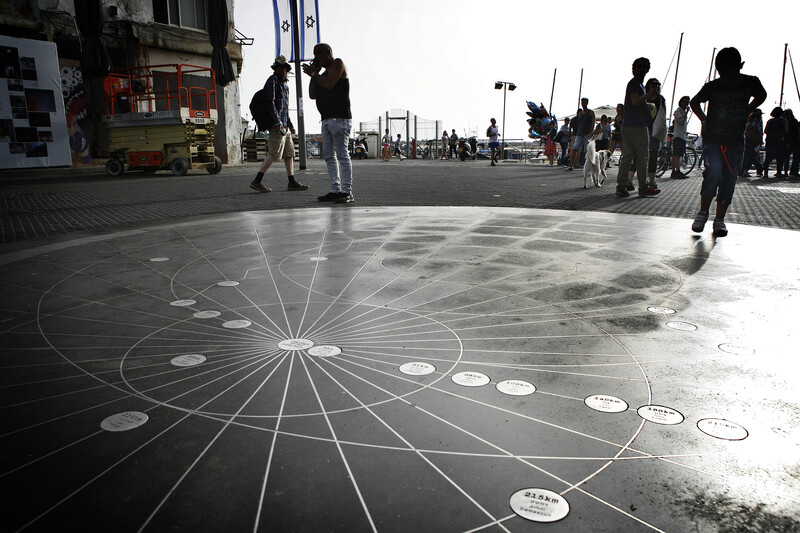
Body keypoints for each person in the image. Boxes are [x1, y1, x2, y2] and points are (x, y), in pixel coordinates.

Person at [689, 46, 766, 236]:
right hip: (713, 139)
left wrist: (749, 107)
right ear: (718, 71)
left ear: (741, 67)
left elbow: (762, 95)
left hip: (735, 141)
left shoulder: (751, 82)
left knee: (730, 178)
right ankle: (703, 213)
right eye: (724, 75)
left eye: (731, 74)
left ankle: (720, 219)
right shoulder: (713, 86)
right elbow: (694, 102)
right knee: (713, 173)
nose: (728, 80)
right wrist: (704, 119)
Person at [303, 43, 355, 203]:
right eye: (314, 53)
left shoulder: (337, 64)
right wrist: (314, 74)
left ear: (328, 53)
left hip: (340, 118)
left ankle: (347, 191)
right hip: (326, 119)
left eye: (319, 53)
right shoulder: (321, 74)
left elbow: (330, 84)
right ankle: (335, 189)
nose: (316, 56)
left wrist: (314, 74)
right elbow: (312, 95)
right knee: (328, 156)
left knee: (342, 154)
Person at [250, 56, 308, 193]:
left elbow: (285, 108)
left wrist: (290, 125)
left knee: (289, 153)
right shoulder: (272, 80)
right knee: (274, 153)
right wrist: (277, 123)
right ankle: (257, 181)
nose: (280, 69)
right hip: (277, 125)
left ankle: (292, 182)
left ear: (287, 69)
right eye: (277, 67)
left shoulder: (286, 85)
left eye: (282, 67)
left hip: (284, 125)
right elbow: (270, 102)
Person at [615, 57, 661, 197]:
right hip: (637, 126)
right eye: (640, 66)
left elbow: (635, 102)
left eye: (644, 66)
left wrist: (646, 100)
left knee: (628, 156)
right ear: (634, 69)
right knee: (643, 156)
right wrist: (650, 94)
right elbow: (635, 101)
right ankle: (643, 186)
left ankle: (621, 185)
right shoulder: (635, 84)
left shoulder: (635, 84)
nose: (642, 69)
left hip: (628, 125)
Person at [645, 78, 667, 188]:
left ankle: (649, 180)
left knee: (650, 155)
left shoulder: (646, 98)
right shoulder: (659, 99)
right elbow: (664, 114)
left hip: (652, 129)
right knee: (651, 155)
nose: (655, 88)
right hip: (652, 129)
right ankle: (650, 181)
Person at [762, 106, 787, 179]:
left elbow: (765, 131)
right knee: (779, 157)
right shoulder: (784, 121)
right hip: (779, 140)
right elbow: (786, 131)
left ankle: (765, 174)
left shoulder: (770, 121)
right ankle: (779, 173)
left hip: (770, 140)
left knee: (768, 158)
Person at [671, 96, 691, 178]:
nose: (687, 104)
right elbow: (680, 121)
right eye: (685, 102)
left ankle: (674, 171)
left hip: (681, 135)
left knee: (676, 154)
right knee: (677, 154)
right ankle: (677, 171)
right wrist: (686, 113)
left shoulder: (681, 111)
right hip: (678, 136)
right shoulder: (679, 111)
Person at [740, 109, 764, 177]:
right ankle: (746, 171)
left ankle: (742, 170)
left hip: (747, 139)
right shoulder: (759, 120)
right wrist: (761, 140)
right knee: (751, 155)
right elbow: (760, 130)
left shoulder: (749, 119)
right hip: (755, 140)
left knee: (747, 155)